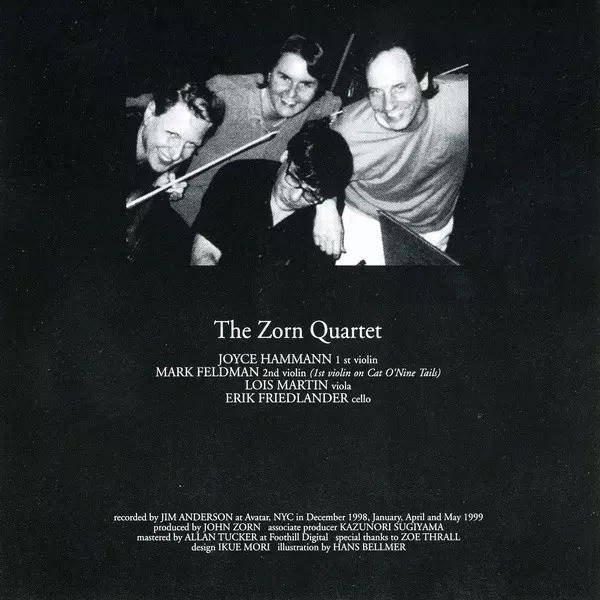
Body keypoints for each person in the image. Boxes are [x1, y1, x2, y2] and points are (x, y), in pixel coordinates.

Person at [173, 34, 344, 258]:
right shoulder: (225, 96)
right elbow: (160, 114)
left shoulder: (316, 108)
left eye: (306, 84)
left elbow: (331, 147)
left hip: (239, 231)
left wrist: (327, 203)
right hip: (182, 220)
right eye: (284, 77)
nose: (292, 94)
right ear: (269, 73)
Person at [333, 35, 468, 265]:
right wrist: (326, 209)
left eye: (399, 87)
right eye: (376, 91)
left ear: (423, 80)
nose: (388, 105)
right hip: (366, 221)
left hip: (431, 231)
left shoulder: (460, 102)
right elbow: (305, 164)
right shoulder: (351, 130)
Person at [189, 119, 353, 268]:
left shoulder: (326, 223)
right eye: (293, 179)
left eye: (309, 194)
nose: (294, 197)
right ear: (285, 156)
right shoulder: (237, 176)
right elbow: (204, 253)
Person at [126, 80, 224, 265]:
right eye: (172, 134)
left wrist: (156, 189)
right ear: (150, 114)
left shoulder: (172, 156)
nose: (176, 154)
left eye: (191, 144)